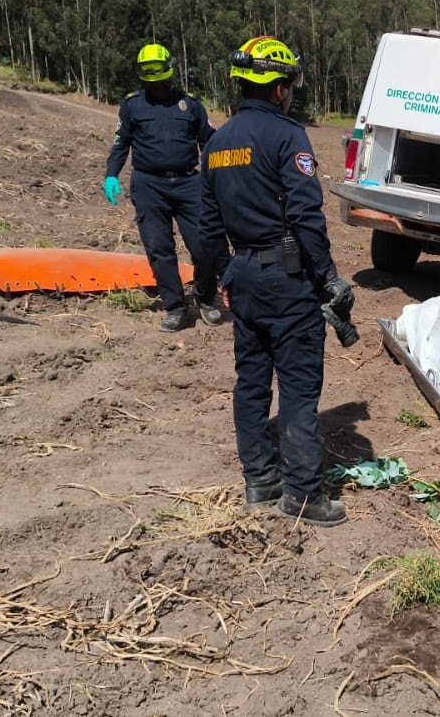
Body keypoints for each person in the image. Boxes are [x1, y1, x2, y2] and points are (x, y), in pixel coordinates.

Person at [199, 35, 352, 527]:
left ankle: (260, 482)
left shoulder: (217, 143)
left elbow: (204, 226)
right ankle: (304, 494)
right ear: (279, 88)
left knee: (251, 382)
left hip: (242, 274)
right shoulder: (288, 137)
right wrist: (327, 277)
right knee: (300, 387)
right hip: (287, 277)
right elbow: (307, 215)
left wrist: (223, 272)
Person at [105, 43, 230, 332]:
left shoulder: (191, 105)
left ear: (170, 72)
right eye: (148, 75)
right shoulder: (132, 104)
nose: (156, 83)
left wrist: (221, 178)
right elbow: (120, 143)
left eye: (159, 75)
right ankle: (175, 307)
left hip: (189, 183)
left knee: (204, 245)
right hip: (149, 185)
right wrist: (112, 174)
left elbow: (209, 144)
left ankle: (206, 297)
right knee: (159, 249)